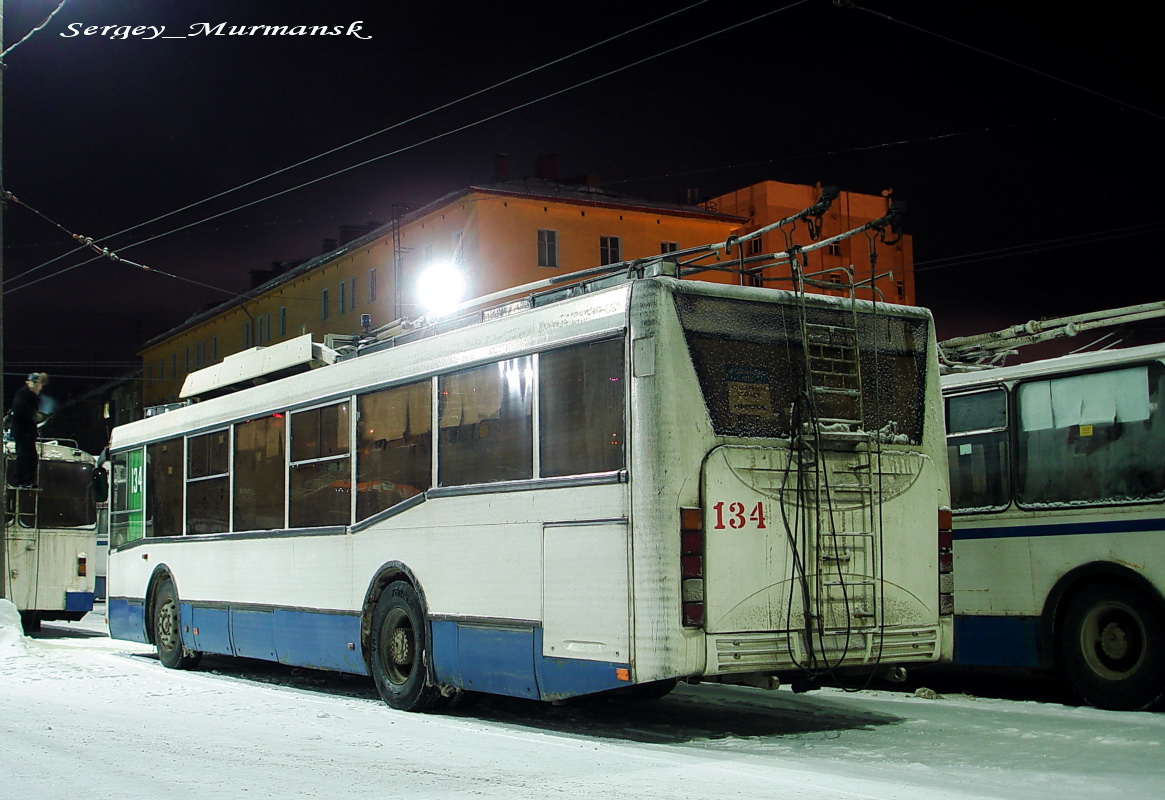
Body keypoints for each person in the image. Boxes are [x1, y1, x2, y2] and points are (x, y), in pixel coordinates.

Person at [9, 372, 48, 488]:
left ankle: (28, 481)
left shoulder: (31, 396)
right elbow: (22, 409)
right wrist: (35, 415)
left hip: (28, 432)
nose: (40, 388)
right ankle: (20, 481)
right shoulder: (22, 394)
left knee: (30, 456)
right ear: (32, 383)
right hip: (22, 431)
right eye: (39, 385)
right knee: (23, 455)